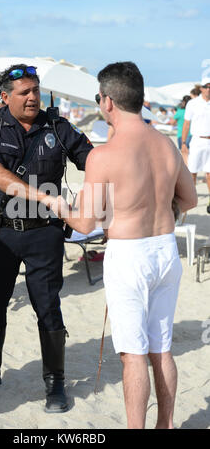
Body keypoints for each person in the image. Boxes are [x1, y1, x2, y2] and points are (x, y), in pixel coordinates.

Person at [46, 62, 197, 429]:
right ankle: (165, 424)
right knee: (161, 348)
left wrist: (58, 206)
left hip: (129, 254)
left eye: (99, 98)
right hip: (165, 247)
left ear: (108, 101)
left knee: (133, 355)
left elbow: (86, 223)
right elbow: (189, 200)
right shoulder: (166, 144)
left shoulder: (103, 155)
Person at [0, 64, 94, 413]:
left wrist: (93, 201)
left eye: (36, 91)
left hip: (44, 234)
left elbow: (95, 160)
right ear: (5, 97)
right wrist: (47, 198)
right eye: (24, 92)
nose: (32, 97)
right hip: (0, 232)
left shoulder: (58, 127)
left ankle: (55, 382)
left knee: (47, 306)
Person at [181, 76, 210, 213]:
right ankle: (190, 198)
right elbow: (186, 124)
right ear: (201, 89)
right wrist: (183, 142)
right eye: (207, 86)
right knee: (192, 171)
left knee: (209, 173)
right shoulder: (192, 104)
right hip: (197, 140)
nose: (209, 89)